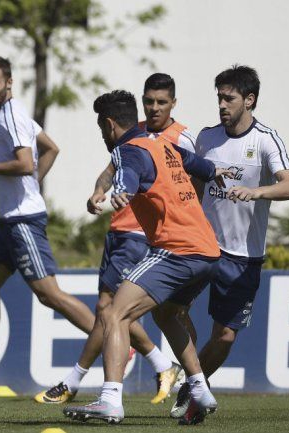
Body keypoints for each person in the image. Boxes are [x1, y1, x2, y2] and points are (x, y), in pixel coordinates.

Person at [62, 90, 230, 425]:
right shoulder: (164, 145)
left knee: (114, 313)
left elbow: (127, 178)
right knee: (167, 315)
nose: (102, 136)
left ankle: (110, 399)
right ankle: (199, 387)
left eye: (101, 128)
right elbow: (203, 166)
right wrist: (217, 174)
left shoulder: (128, 151)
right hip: (208, 252)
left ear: (110, 125)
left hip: (176, 250)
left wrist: (120, 193)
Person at [36, 73, 194, 406]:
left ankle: (88, 381)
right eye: (148, 101)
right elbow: (110, 171)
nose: (153, 108)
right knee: (107, 311)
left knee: (113, 311)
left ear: (173, 104)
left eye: (161, 102)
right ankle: (158, 368)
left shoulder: (180, 139)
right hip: (118, 231)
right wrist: (98, 191)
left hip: (141, 236)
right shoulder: (133, 134)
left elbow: (188, 190)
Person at [0, 53, 97, 394]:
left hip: (23, 221)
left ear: (9, 82)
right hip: (9, 221)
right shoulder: (14, 116)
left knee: (49, 295)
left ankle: (108, 338)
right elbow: (51, 149)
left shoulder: (10, 117)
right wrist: (32, 186)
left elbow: (25, 162)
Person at [164, 65, 289, 418]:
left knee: (224, 337)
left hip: (243, 257)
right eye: (219, 97)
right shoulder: (206, 139)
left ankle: (193, 386)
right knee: (171, 312)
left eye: (229, 98)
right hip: (200, 247)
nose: (222, 104)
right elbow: (191, 185)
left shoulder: (266, 139)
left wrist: (256, 191)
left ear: (249, 100)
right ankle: (192, 379)